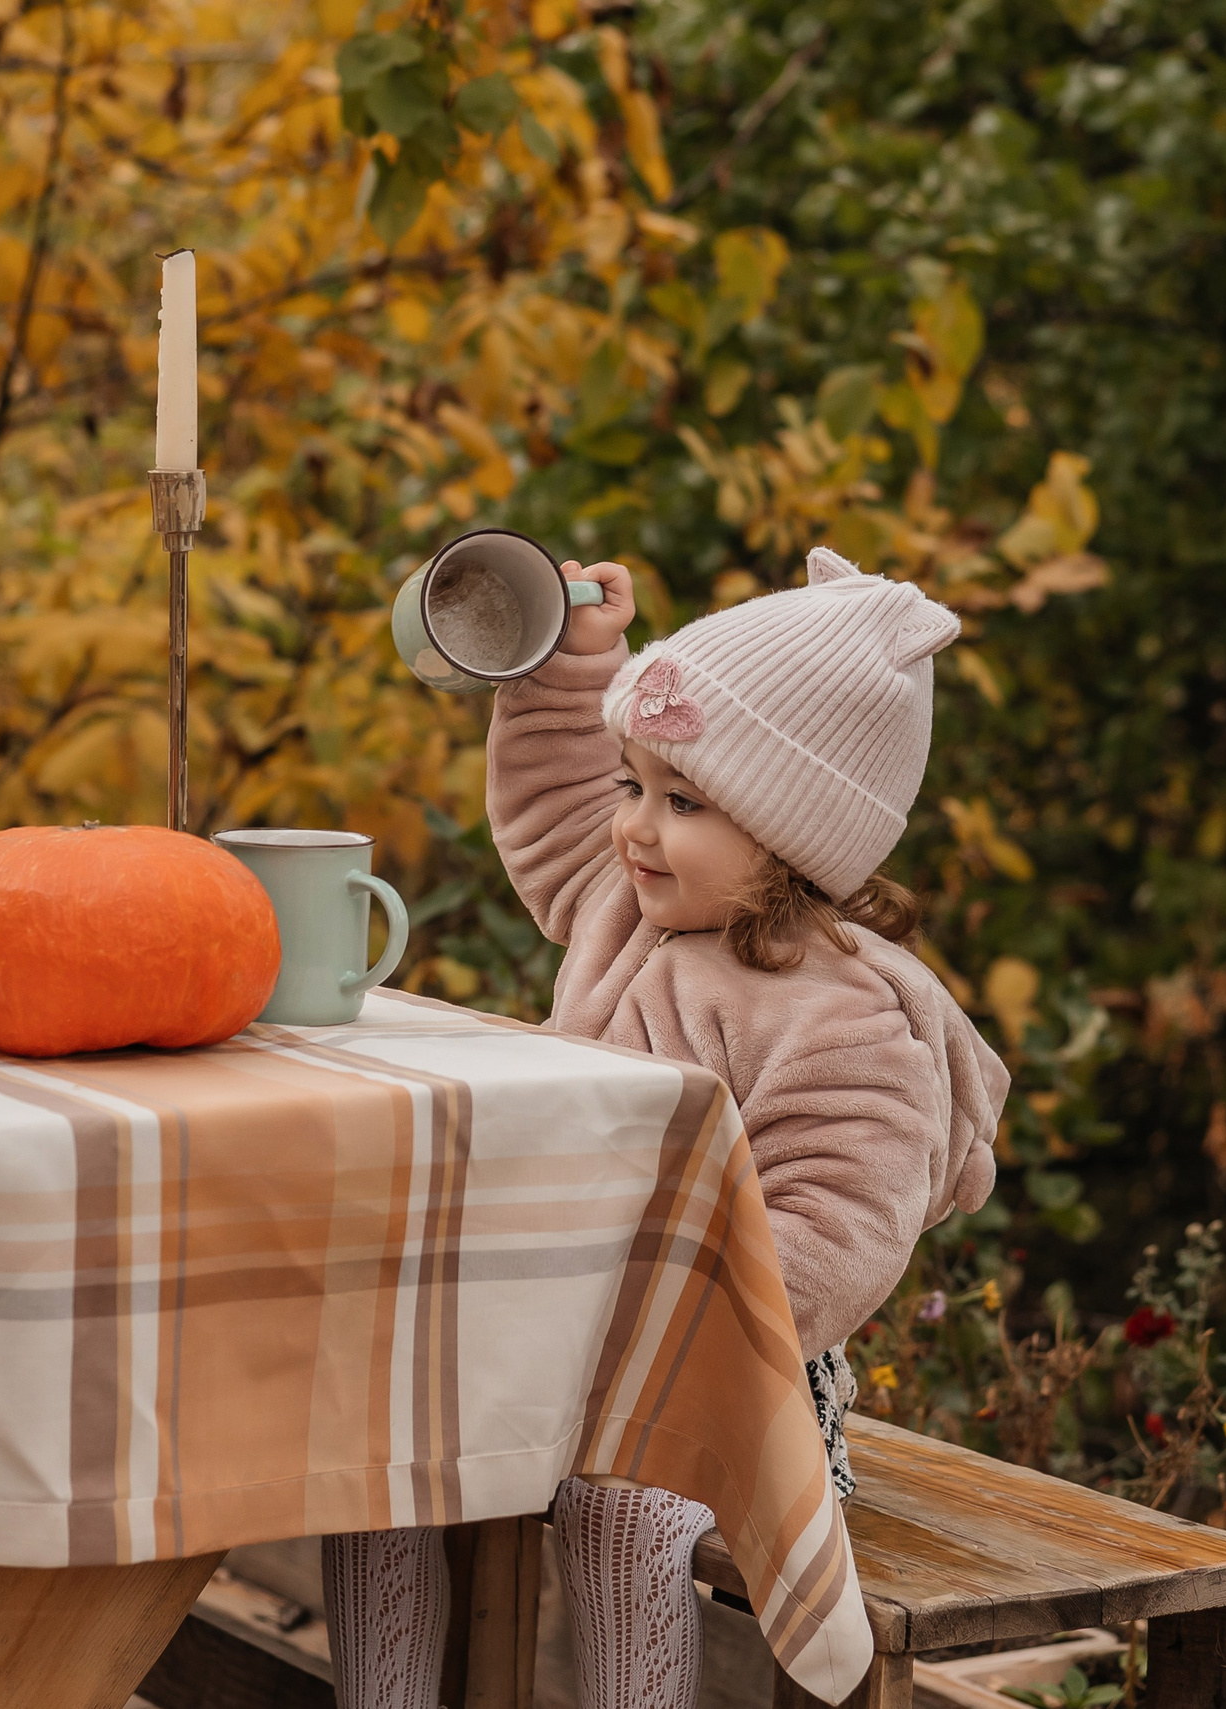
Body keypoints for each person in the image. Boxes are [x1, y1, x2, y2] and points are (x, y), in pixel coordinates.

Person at [323, 546, 1009, 1709]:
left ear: (793, 837)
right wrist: (570, 663)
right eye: (633, 783)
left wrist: (654, 1337)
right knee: (373, 1446)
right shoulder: (632, 902)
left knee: (620, 1503)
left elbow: (836, 1230)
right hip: (552, 1327)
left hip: (728, 1378)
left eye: (680, 800)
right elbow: (551, 809)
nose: (633, 827)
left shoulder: (841, 1018)